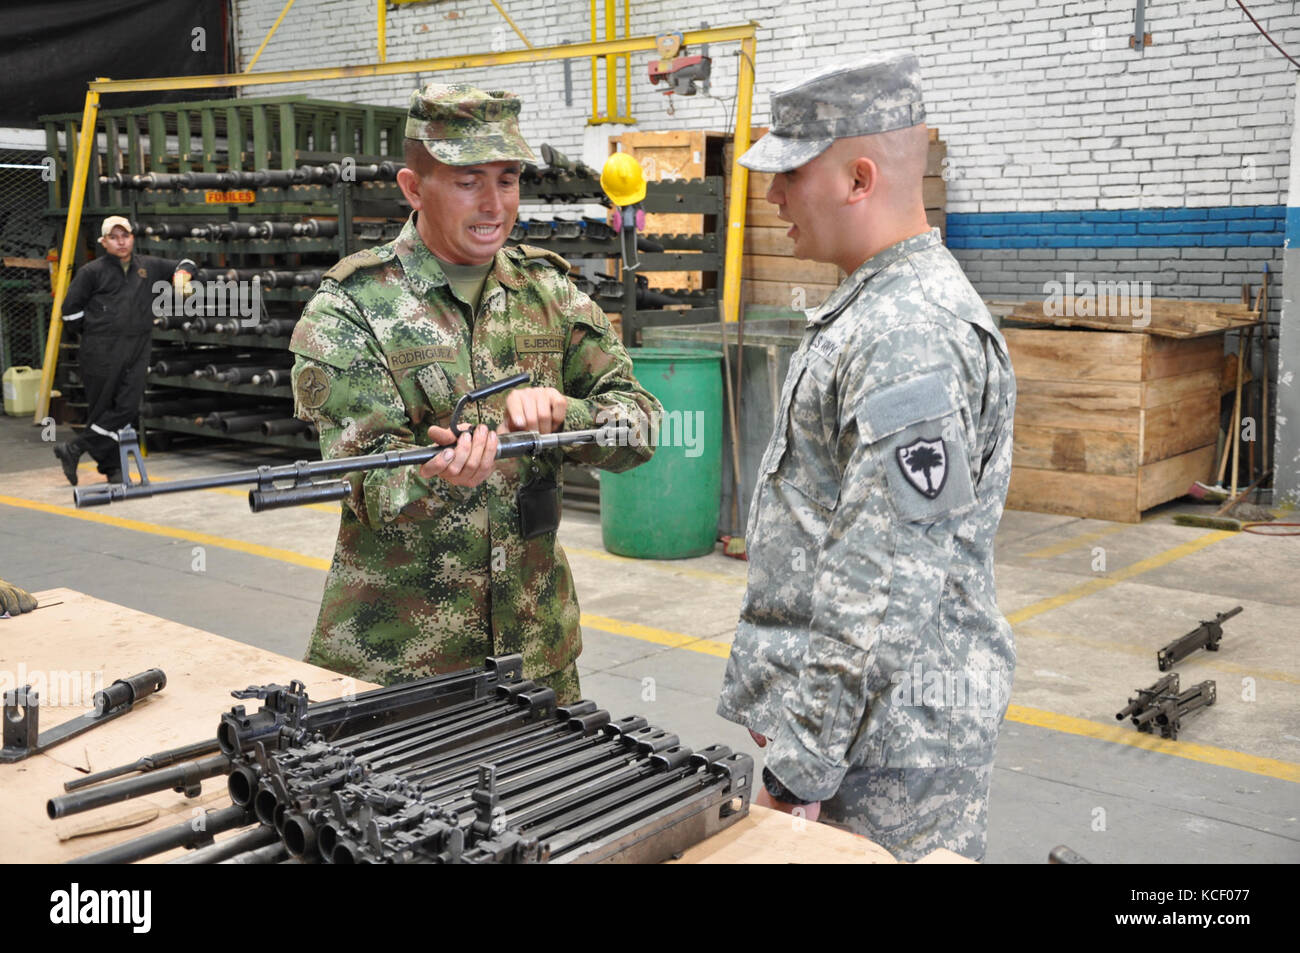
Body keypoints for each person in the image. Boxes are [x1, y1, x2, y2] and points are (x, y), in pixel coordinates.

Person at [715, 53, 1017, 862]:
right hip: (858, 732)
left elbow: (881, 583)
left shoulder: (906, 334)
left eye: (790, 173)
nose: (773, 195)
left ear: (857, 177)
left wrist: (800, 764)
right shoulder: (876, 307)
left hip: (888, 749)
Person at [289, 83, 660, 702]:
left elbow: (642, 427)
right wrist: (438, 475)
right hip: (401, 665)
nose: (494, 204)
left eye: (508, 179)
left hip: (536, 653)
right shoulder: (351, 308)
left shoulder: (550, 294)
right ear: (413, 188)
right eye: (467, 182)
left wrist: (571, 414)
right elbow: (364, 484)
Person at [53, 216, 195, 485]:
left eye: (125, 236)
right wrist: (101, 330)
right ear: (104, 242)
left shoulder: (148, 266)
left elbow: (186, 263)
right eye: (114, 237)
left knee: (128, 407)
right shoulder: (91, 272)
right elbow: (70, 314)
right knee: (102, 407)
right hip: (101, 350)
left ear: (132, 237)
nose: (121, 241)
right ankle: (113, 469)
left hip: (138, 347)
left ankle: (74, 448)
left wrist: (182, 275)